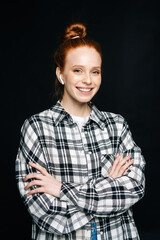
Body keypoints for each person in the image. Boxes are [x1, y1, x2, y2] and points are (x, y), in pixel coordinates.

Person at [15, 23, 145, 240]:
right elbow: (45, 212)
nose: (88, 80)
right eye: (78, 70)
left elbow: (134, 188)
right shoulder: (36, 128)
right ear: (61, 74)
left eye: (95, 71)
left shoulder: (117, 125)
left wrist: (61, 189)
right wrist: (108, 186)